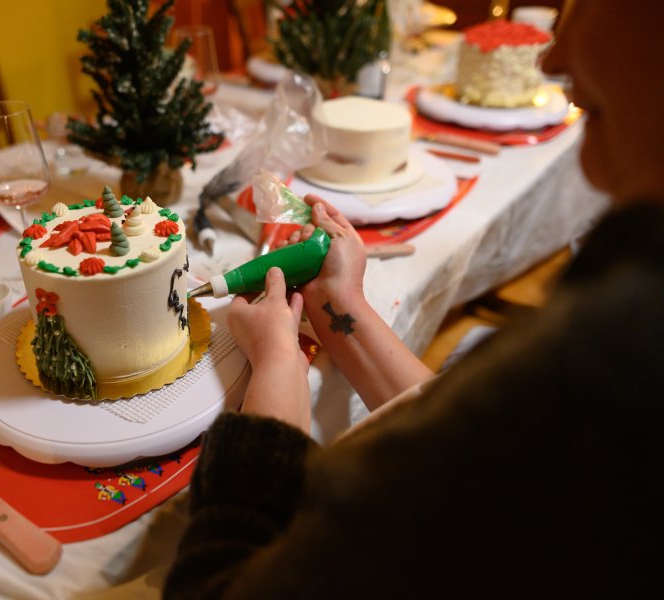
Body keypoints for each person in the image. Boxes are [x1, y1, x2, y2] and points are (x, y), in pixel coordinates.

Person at [164, 0, 664, 597]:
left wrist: (276, 364)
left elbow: (220, 587)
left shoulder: (614, 363)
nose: (552, 56)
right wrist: (340, 307)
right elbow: (473, 453)